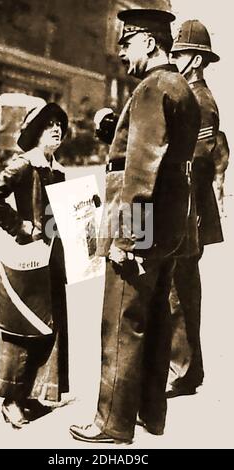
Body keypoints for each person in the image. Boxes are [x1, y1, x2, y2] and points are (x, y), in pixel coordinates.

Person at [70, 0, 201, 443]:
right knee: (156, 324)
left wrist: (127, 238)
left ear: (147, 40)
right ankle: (150, 413)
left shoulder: (151, 88)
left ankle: (110, 424)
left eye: (125, 43)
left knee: (121, 325)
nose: (122, 52)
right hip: (166, 234)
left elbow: (141, 170)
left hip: (137, 233)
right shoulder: (181, 87)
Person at [0, 103, 69, 428]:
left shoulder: (56, 170)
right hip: (26, 259)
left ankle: (32, 396)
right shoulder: (22, 165)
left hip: (51, 259)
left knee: (48, 325)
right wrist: (21, 227)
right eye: (49, 125)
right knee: (20, 328)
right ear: (35, 132)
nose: (56, 129)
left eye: (60, 124)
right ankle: (10, 401)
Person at [167, 20, 228, 398]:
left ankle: (184, 370)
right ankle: (190, 369)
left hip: (189, 208)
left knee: (180, 288)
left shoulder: (200, 101)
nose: (175, 59)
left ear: (197, 60)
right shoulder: (188, 94)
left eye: (180, 53)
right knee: (182, 288)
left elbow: (198, 161)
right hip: (186, 208)